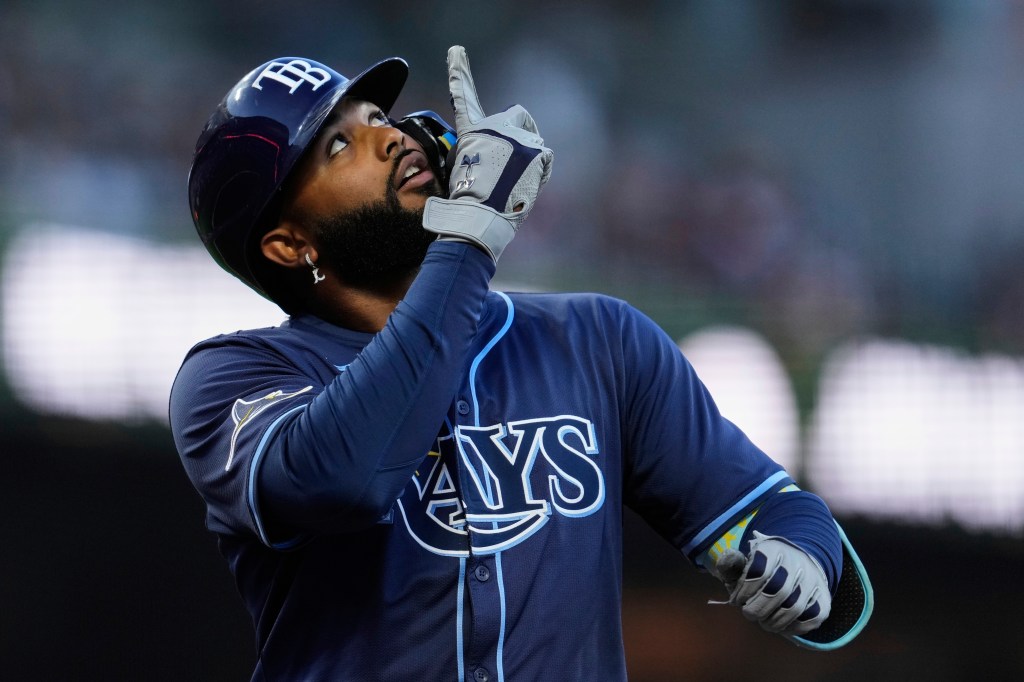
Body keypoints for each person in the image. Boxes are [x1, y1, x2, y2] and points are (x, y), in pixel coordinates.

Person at [170, 46, 872, 681]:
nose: (389, 139)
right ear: (289, 245)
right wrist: (470, 237)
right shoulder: (233, 379)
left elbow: (775, 509)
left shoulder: (596, 337)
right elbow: (344, 479)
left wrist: (803, 556)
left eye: (379, 115)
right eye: (338, 146)